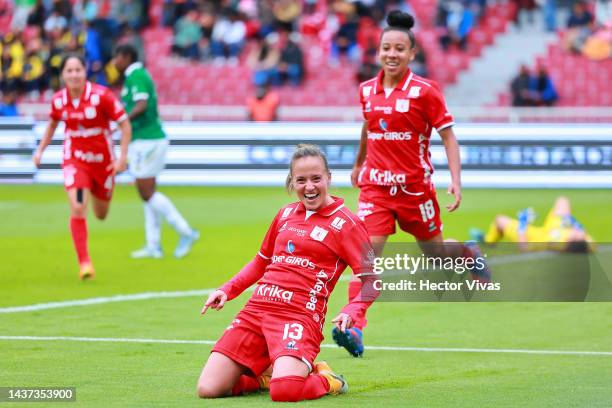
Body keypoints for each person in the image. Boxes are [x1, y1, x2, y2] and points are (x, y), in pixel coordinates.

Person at [341, 10, 490, 357]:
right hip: (375, 189)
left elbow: (449, 137)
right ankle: (355, 326)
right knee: (366, 257)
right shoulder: (366, 90)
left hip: (414, 191)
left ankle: (467, 251)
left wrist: (456, 180)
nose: (391, 54)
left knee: (436, 255)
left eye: (399, 49)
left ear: (412, 54)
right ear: (378, 52)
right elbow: (369, 125)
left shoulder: (426, 91)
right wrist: (359, 161)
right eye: (386, 48)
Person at [197, 144, 378, 402]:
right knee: (209, 389)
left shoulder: (347, 223)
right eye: (301, 180)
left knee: (286, 392)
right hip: (257, 310)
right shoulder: (284, 215)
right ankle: (265, 377)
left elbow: (372, 279)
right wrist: (226, 290)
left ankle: (328, 379)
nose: (310, 186)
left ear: (329, 178)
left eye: (316, 178)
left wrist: (353, 310)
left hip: (299, 317)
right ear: (292, 182)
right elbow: (260, 263)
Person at [32, 54, 131, 280]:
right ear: (63, 75)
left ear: (85, 73)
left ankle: (100, 195)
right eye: (69, 70)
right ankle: (84, 263)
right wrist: (40, 151)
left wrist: (122, 158)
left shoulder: (102, 96)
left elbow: (124, 125)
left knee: (101, 214)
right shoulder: (58, 100)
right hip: (75, 160)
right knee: (77, 207)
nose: (74, 74)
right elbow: (52, 125)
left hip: (103, 164)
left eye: (78, 70)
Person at [113, 44, 199, 259]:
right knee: (148, 193)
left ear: (125, 56)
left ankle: (186, 232)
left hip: (148, 140)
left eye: (116, 57)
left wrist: (122, 120)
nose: (114, 62)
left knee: (146, 192)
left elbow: (141, 105)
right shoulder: (136, 76)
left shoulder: (137, 75)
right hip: (145, 140)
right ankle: (154, 245)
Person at [470, 197, 593, 253]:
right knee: (562, 200)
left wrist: (522, 225)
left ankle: (488, 241)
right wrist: (574, 223)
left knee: (500, 220)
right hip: (556, 225)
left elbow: (524, 247)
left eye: (577, 235)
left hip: (537, 236)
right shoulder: (587, 243)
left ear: (569, 241)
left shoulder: (554, 243)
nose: (579, 233)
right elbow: (586, 237)